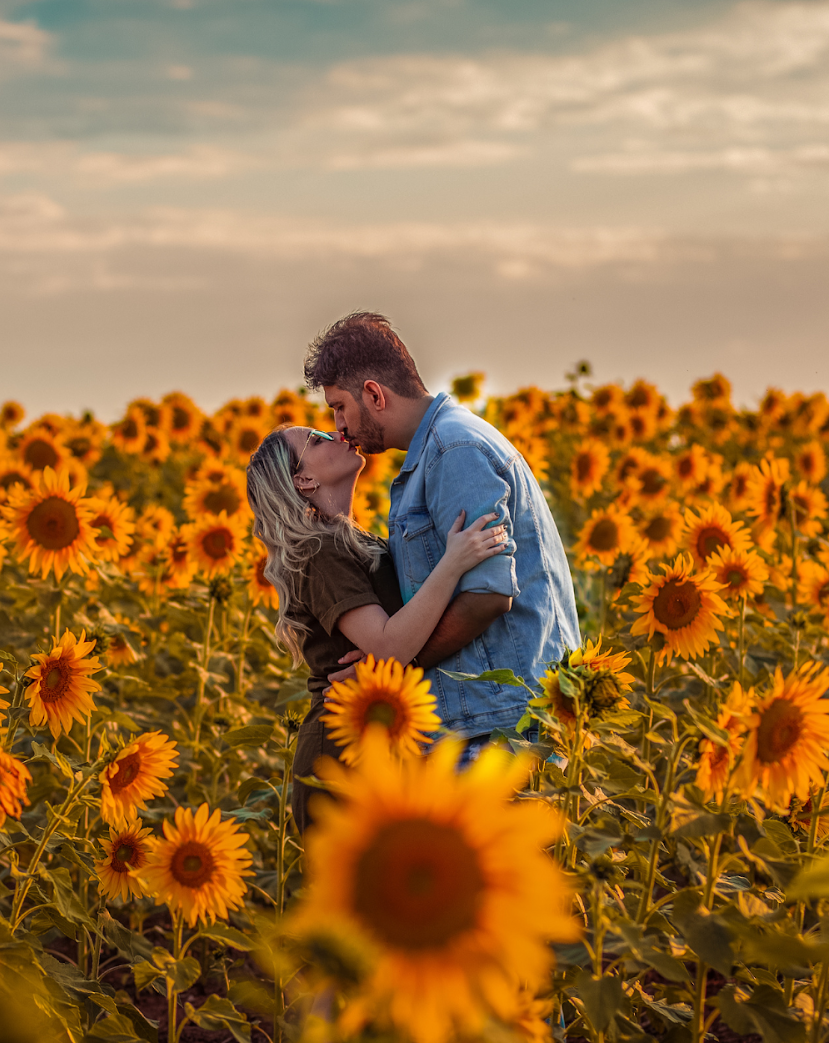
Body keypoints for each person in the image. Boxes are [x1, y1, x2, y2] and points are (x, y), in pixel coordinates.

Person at [305, 312, 581, 757]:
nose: (339, 427)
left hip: (503, 728)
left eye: (339, 406)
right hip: (495, 721)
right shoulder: (438, 450)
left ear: (373, 394)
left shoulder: (454, 451)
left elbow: (487, 595)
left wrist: (393, 669)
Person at [245, 424, 508, 831]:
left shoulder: (352, 540)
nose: (334, 432)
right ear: (304, 480)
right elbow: (389, 645)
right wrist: (454, 562)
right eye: (316, 440)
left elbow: (393, 641)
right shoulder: (319, 550)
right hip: (340, 756)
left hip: (373, 742)